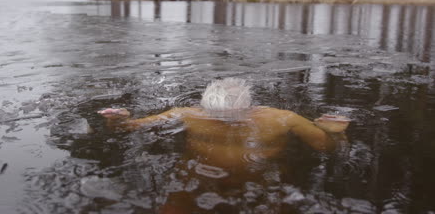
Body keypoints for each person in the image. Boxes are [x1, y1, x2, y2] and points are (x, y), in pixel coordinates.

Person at [97, 77, 350, 212]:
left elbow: (328, 147)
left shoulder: (283, 118)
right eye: (217, 116)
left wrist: (337, 134)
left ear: (249, 106)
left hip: (260, 189)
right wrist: (119, 119)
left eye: (233, 116)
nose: (226, 122)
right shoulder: (187, 113)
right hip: (196, 188)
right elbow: (131, 128)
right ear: (204, 107)